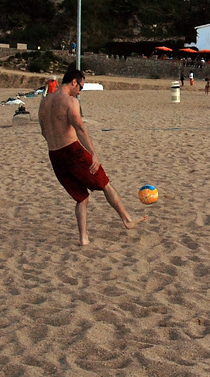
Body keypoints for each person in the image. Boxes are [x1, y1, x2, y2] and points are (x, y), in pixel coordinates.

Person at [39, 68, 146, 246]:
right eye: (80, 87)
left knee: (81, 197)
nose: (80, 91)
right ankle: (126, 219)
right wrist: (93, 154)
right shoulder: (70, 101)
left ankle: (83, 238)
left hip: (54, 155)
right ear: (74, 82)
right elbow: (80, 128)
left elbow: (44, 131)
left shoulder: (44, 102)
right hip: (72, 151)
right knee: (105, 184)